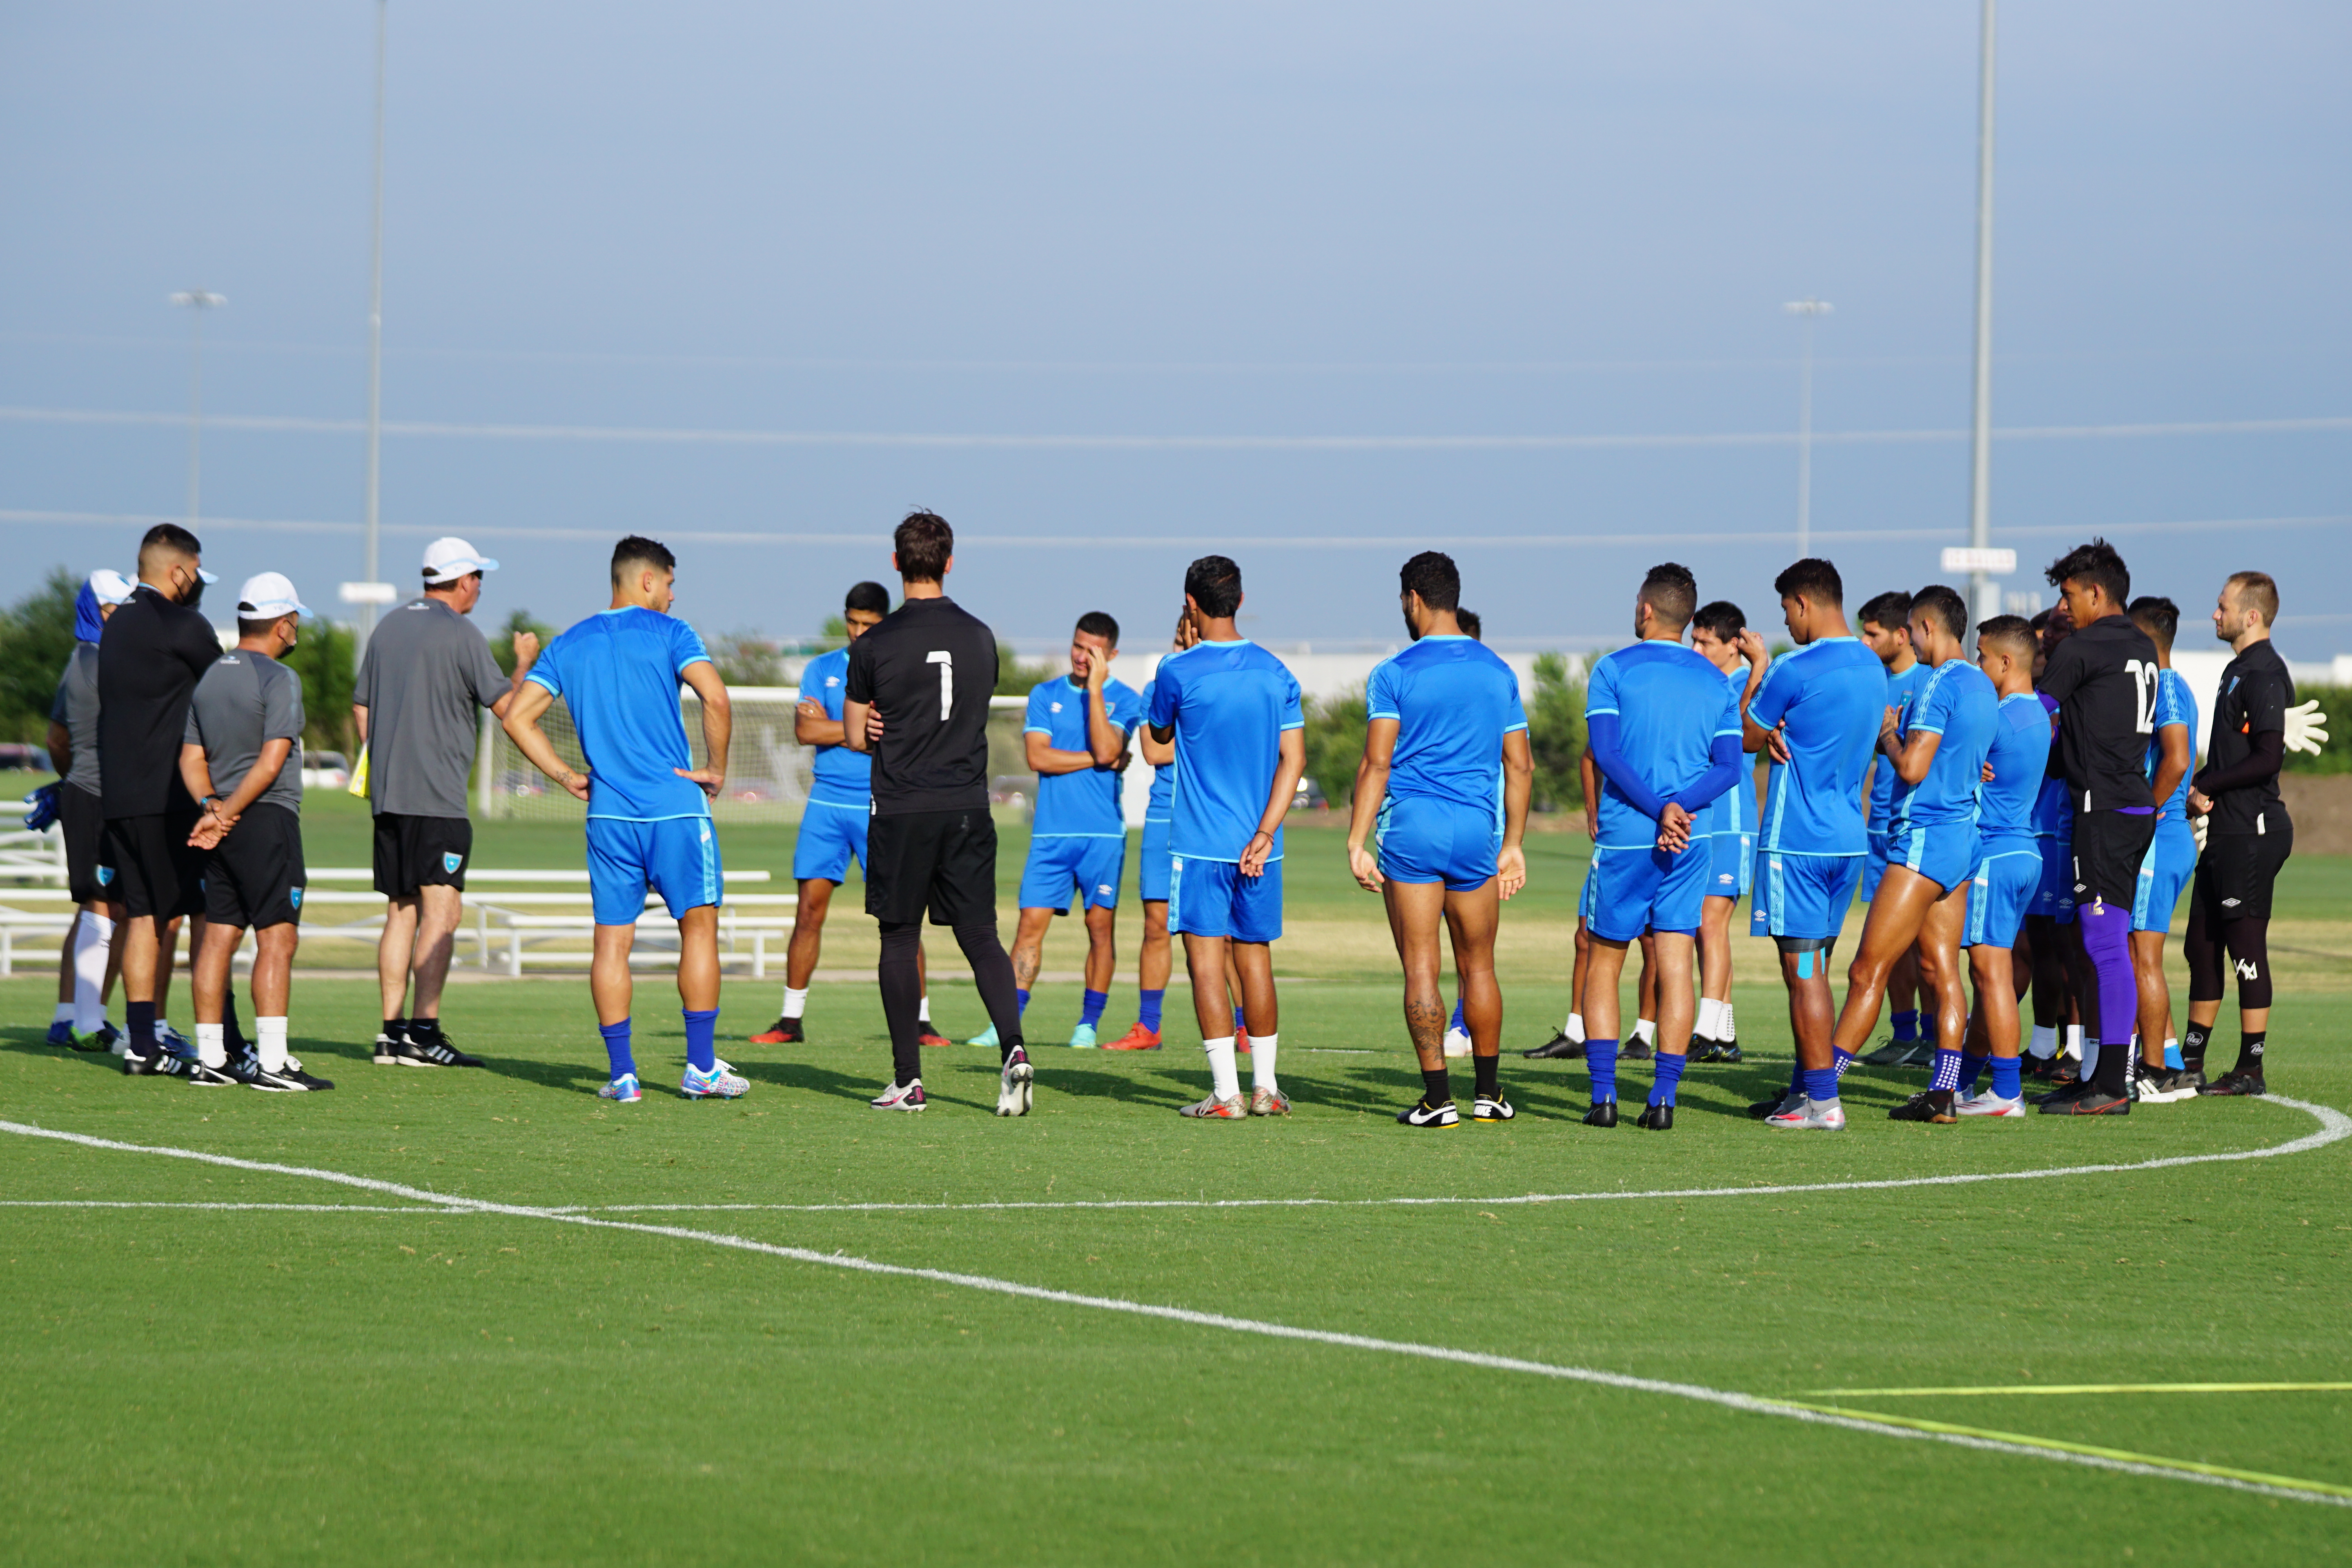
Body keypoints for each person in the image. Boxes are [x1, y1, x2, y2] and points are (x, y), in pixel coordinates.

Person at [503, 535, 744, 1104]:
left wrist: (567, 777)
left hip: (609, 814)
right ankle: (703, 1070)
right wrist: (716, 769)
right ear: (646, 581)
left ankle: (623, 1076)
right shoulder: (672, 634)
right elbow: (717, 699)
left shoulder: (570, 643)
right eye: (670, 584)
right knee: (699, 929)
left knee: (612, 943)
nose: (673, 596)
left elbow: (517, 719)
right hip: (676, 809)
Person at [841, 511, 1031, 1114]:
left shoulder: (872, 644)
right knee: (980, 935)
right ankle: (1016, 1049)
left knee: (899, 939)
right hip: (967, 806)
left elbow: (852, 734)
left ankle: (908, 1081)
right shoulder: (980, 636)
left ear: (896, 563)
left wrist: (874, 724)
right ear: (949, 562)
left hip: (901, 806)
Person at [1347, 552, 1533, 1127]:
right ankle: (1489, 1094)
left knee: (1422, 967)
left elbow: (1377, 764)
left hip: (1414, 831)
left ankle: (1437, 1099)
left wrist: (1356, 839)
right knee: (1479, 966)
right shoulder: (1498, 671)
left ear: (1413, 599)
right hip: (1477, 831)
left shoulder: (1394, 673)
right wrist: (1514, 844)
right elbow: (1520, 766)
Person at [1815, 585, 1998, 1125]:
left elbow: (1913, 768)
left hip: (1925, 839)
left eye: (1913, 630)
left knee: (1867, 970)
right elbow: (1982, 759)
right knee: (1941, 969)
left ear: (1926, 626)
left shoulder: (1940, 681)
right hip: (1964, 841)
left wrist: (1890, 735)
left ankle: (1819, 1091)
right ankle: (1943, 1093)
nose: (1910, 640)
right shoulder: (1983, 684)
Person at [354, 536, 540, 1069]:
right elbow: (510, 709)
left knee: (400, 910)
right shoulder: (462, 633)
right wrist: (523, 663)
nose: (480, 587)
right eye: (479, 578)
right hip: (437, 800)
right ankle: (425, 1031)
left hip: (388, 797)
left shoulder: (387, 627)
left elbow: (362, 708)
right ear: (463, 581)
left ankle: (390, 1034)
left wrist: (385, 761)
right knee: (444, 911)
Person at [1575, 563, 1745, 1131]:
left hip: (1630, 836)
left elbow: (1607, 754)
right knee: (1676, 964)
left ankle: (1604, 1099)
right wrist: (1680, 808)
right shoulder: (1717, 682)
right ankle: (1664, 1100)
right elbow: (1728, 769)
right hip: (1690, 838)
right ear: (1688, 618)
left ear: (1646, 610)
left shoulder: (1612, 669)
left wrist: (1658, 809)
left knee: (1605, 962)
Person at [751, 582, 951, 1049]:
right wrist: (860, 728)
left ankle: (921, 1022)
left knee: (900, 918)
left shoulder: (900, 667)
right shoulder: (821, 668)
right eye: (853, 622)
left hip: (881, 803)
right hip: (825, 805)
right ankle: (790, 1020)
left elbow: (903, 732)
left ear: (886, 622)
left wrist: (835, 728)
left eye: (869, 625)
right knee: (808, 912)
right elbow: (804, 730)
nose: (859, 632)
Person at [1146, 555, 1307, 1119]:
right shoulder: (1276, 672)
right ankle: (1266, 1089)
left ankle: (1226, 1095)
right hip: (1262, 847)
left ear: (1191, 604)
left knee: (1208, 964)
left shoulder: (1177, 671)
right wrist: (1265, 832)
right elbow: (1294, 760)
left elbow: (1158, 735)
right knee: (1256, 959)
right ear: (1240, 600)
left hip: (1198, 845)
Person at [1741, 558, 1887, 1131]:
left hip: (1797, 843)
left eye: (1785, 611)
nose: (1786, 623)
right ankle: (1803, 1093)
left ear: (1803, 603)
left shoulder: (1792, 667)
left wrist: (1757, 669)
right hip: (1849, 841)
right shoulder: (1873, 667)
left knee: (1803, 974)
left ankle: (1823, 1102)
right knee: (1815, 969)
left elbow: (1747, 734)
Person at [179, 573, 333, 1090]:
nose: (297, 630)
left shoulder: (210, 678)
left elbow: (191, 758)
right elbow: (272, 764)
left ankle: (212, 1060)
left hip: (221, 823)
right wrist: (230, 813)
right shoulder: (280, 680)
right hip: (264, 819)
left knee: (219, 938)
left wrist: (212, 807)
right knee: (277, 938)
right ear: (283, 623)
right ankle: (271, 1062)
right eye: (296, 621)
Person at [974, 612, 1144, 1051]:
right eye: (1077, 645)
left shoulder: (1125, 698)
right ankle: (1005, 1025)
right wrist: (1096, 760)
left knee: (1099, 928)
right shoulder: (1044, 694)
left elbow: (1110, 746)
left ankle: (1087, 1025)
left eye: (1093, 649)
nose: (1082, 655)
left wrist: (1093, 695)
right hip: (1050, 835)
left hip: (1102, 837)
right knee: (1029, 926)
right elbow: (1039, 758)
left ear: (1112, 655)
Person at [2035, 538, 2163, 1116]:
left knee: (2106, 944)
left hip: (2103, 812)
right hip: (2132, 805)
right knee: (2102, 944)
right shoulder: (2141, 643)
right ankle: (2101, 1074)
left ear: (2095, 592)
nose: (2064, 609)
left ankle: (2113, 1082)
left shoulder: (2082, 648)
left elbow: (2033, 718)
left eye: (2068, 596)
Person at [101, 524, 227, 1078]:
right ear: (180, 571)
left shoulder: (118, 623)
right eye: (196, 573)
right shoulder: (182, 624)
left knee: (143, 914)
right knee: (204, 910)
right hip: (168, 795)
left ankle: (141, 1043)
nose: (198, 583)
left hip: (120, 794)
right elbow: (230, 686)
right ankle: (216, 1042)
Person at [2181, 571, 2296, 1097]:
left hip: (2252, 830)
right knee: (2200, 946)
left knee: (2244, 946)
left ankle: (2251, 1067)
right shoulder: (2238, 669)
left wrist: (2206, 780)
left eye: (2223, 605)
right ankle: (2190, 1062)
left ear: (2251, 616)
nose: (2215, 613)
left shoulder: (2265, 672)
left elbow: (2268, 758)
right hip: (2225, 830)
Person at [1950, 615, 2051, 1117]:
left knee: (1990, 974)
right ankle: (1966, 1082)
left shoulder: (1999, 716)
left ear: (2006, 662)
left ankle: (2007, 1090)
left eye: (1983, 656)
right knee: (1995, 973)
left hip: (1995, 853)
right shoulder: (2035, 715)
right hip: (2024, 852)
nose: (1977, 664)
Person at [44, 568, 135, 1051]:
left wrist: (68, 781)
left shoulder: (80, 658)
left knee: (97, 908)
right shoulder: (106, 662)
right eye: (124, 607)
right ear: (104, 611)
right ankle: (87, 1020)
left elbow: (56, 739)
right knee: (108, 910)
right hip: (102, 796)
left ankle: (71, 1015)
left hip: (86, 792)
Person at [1105, 608, 1201, 1051]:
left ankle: (1243, 1027)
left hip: (1212, 820)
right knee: (1156, 925)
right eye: (1182, 634)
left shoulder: (1224, 683)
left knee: (1224, 929)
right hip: (1165, 817)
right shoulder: (1156, 687)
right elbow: (1154, 751)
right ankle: (1149, 1026)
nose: (1187, 639)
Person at [2124, 595, 2201, 1102]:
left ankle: (2154, 1070)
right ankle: (2168, 1059)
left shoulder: (2167, 688)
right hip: (2166, 835)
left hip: (2160, 836)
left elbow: (2175, 761)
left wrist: (2146, 814)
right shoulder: (2175, 687)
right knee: (2140, 953)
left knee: (2141, 955)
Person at [1855, 590, 1935, 1067]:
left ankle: (1933, 1038)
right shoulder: (1873, 682)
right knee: (1888, 944)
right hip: (1877, 830)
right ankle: (1903, 1035)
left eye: (1873, 633)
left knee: (1928, 947)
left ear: (1902, 635)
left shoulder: (1929, 680)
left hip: (1919, 830)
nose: (1865, 642)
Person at [1688, 599, 1762, 1063]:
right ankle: (1724, 1034)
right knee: (1707, 928)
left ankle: (1707, 1030)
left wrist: (1758, 671)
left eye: (1706, 641)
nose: (1696, 647)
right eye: (1694, 638)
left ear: (1735, 643)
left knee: (1709, 923)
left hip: (1732, 823)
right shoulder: (1713, 681)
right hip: (1709, 821)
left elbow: (1741, 727)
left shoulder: (1743, 683)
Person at [2020, 605, 2083, 1078]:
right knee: (2040, 943)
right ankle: (2044, 1046)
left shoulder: (2080, 691)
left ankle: (2079, 1049)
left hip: (2062, 831)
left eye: (2054, 634)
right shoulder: (2037, 697)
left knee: (2073, 945)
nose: (2045, 645)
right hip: (2033, 830)